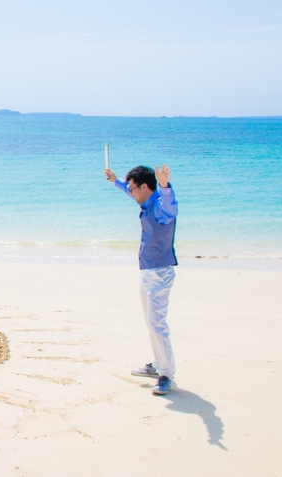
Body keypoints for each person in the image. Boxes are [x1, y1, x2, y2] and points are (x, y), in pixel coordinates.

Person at [104, 164, 178, 395]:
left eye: (133, 188)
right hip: (146, 272)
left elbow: (171, 205)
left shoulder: (161, 207)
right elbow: (128, 190)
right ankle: (157, 364)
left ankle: (166, 374)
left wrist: (164, 184)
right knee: (150, 322)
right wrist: (115, 181)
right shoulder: (146, 201)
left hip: (160, 273)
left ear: (145, 187)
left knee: (157, 324)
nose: (131, 192)